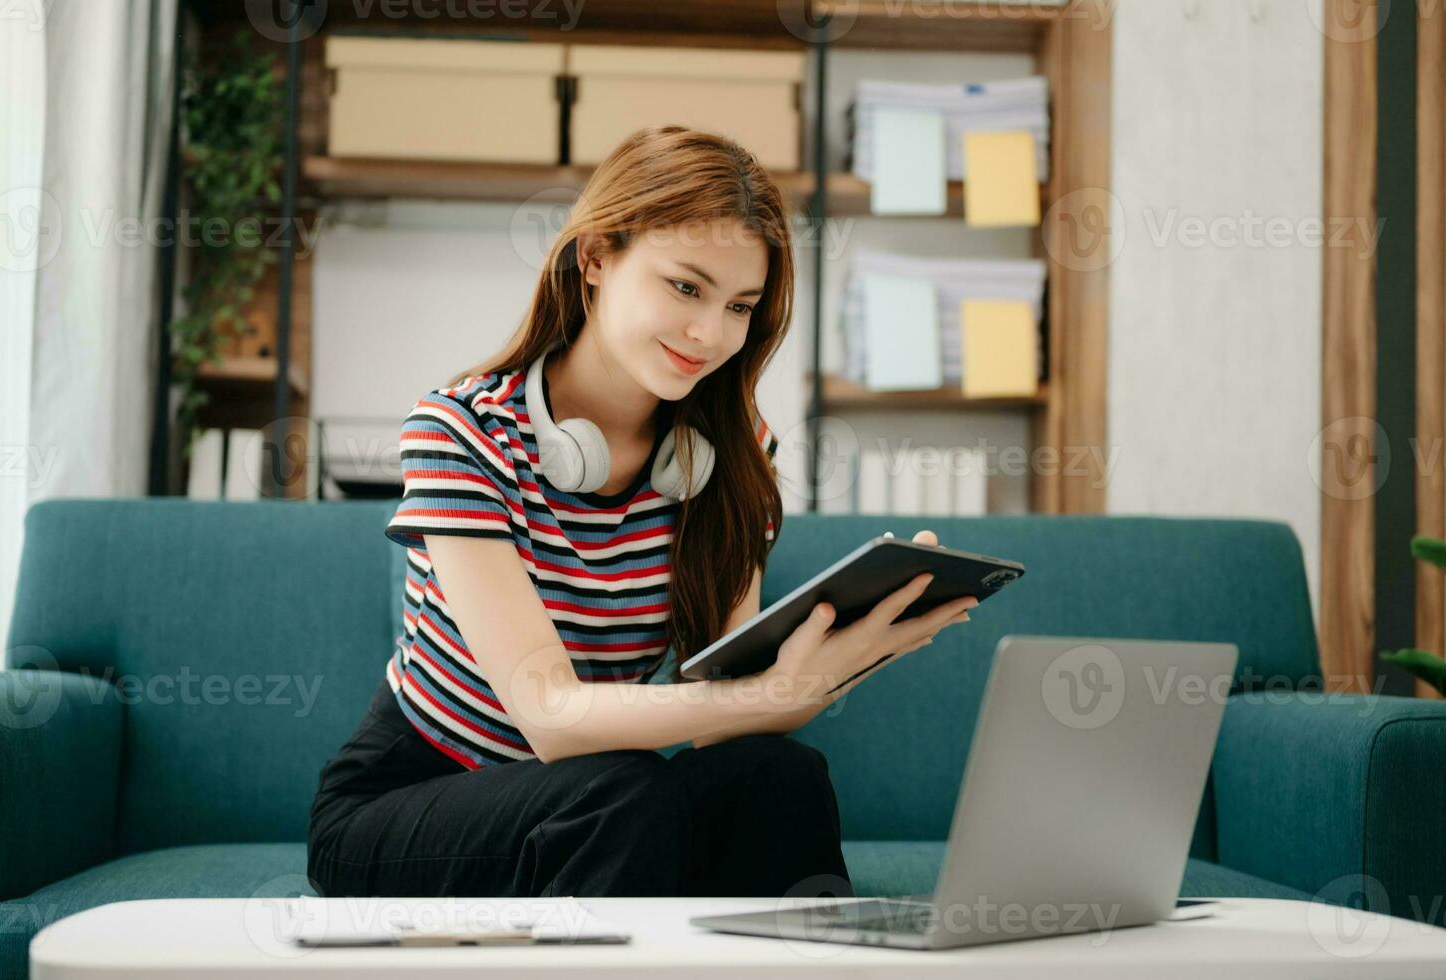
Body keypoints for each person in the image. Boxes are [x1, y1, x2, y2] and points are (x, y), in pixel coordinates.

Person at [306, 126, 978, 901]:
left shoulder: (732, 450)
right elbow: (548, 716)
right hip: (408, 798)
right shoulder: (461, 431)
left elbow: (721, 722)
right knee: (619, 793)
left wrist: (837, 661)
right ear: (594, 258)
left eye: (739, 306)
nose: (710, 333)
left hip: (594, 799)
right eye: (685, 287)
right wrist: (769, 694)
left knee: (777, 773)